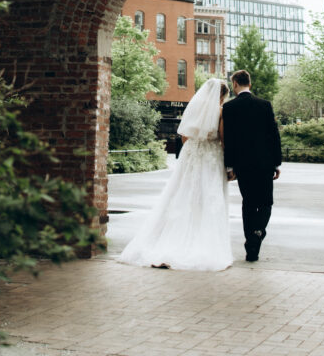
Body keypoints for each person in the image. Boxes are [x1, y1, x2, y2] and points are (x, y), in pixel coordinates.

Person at [118, 78, 232, 271]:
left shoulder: (194, 109)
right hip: (211, 157)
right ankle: (202, 243)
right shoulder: (220, 112)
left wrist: (194, 147)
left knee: (182, 194)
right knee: (208, 197)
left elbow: (184, 135)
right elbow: (223, 139)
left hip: (191, 155)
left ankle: (164, 240)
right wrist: (228, 164)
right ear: (221, 95)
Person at [221, 69, 282, 263]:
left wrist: (229, 166)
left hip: (243, 164)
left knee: (248, 202)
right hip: (265, 164)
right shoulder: (264, 105)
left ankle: (251, 244)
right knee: (266, 202)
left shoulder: (229, 108)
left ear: (235, 84)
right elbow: (274, 135)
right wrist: (276, 163)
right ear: (250, 84)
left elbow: (228, 139)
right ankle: (257, 233)